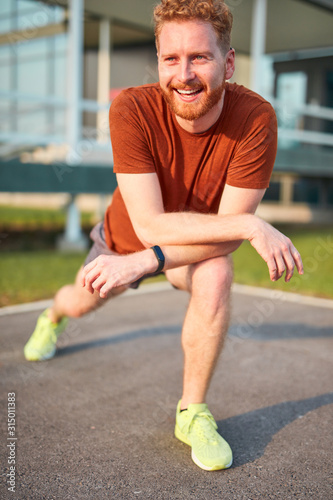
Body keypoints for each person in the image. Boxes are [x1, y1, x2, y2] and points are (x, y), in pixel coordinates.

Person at [24, 0, 303, 471]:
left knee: (217, 271)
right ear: (158, 62)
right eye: (171, 58)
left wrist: (154, 259)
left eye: (200, 57)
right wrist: (253, 224)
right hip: (123, 238)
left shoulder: (256, 119)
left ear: (229, 63)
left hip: (195, 248)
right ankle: (52, 317)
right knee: (79, 302)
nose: (184, 73)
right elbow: (150, 224)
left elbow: (226, 237)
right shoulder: (131, 109)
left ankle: (190, 412)